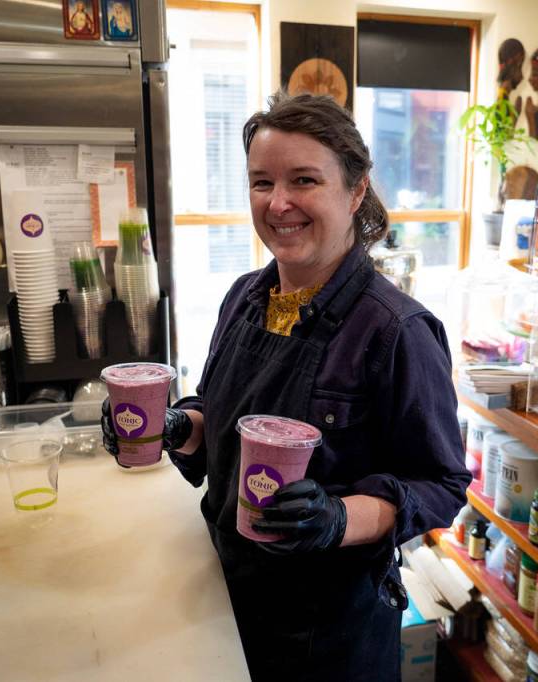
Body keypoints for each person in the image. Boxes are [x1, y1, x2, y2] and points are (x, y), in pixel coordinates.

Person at [102, 92, 470, 681]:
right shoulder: (245, 297)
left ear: (354, 190)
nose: (278, 204)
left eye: (304, 180)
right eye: (260, 183)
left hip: (328, 632)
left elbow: (442, 484)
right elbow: (220, 419)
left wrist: (336, 517)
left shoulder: (396, 331)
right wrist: (177, 425)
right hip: (227, 592)